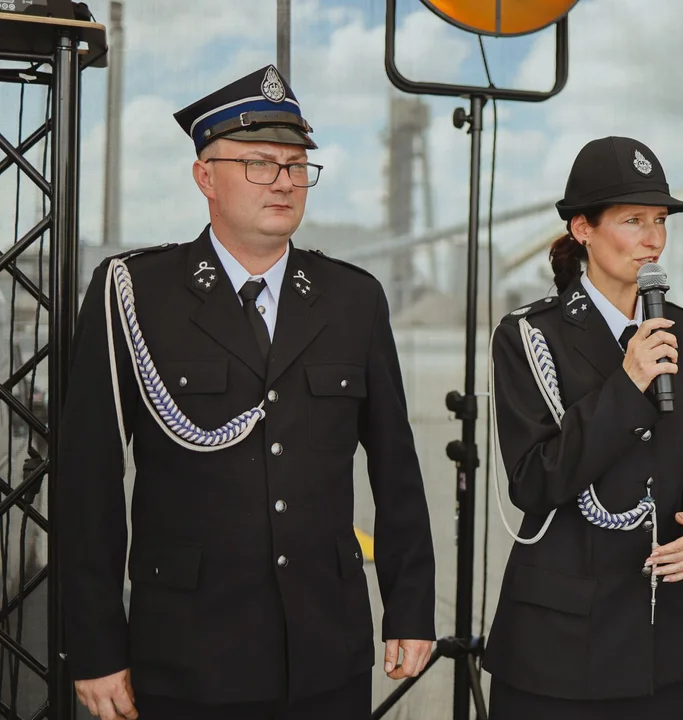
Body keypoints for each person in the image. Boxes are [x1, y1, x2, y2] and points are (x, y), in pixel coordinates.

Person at [57, 65, 436, 720]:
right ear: (206, 176)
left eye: (296, 166)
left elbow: (397, 469)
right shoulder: (135, 293)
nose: (285, 181)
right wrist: (93, 647)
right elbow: (86, 482)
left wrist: (410, 609)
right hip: (187, 654)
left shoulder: (352, 299)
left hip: (324, 650)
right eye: (260, 163)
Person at [483, 136, 683, 720]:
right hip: (558, 645)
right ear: (582, 229)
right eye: (633, 220)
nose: (654, 239)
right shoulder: (528, 336)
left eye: (661, 220)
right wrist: (627, 382)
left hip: (658, 637)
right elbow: (533, 483)